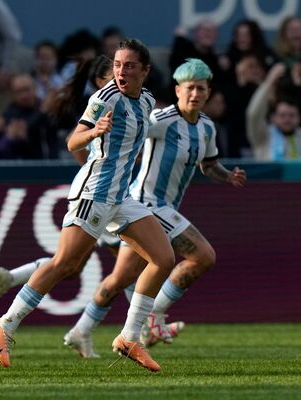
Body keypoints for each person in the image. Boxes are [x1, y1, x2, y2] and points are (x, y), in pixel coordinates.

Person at [0, 39, 175, 372]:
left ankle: (130, 337)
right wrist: (93, 132)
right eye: (117, 64)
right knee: (65, 265)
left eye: (129, 66)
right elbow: (73, 140)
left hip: (121, 198)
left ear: (145, 71)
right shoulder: (104, 98)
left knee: (163, 258)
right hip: (94, 194)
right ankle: (6, 323)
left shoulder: (145, 101)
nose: (121, 71)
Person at [61, 59, 246, 358]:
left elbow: (208, 164)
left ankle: (80, 331)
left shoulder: (207, 128)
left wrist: (227, 176)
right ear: (177, 90)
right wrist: (99, 160)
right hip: (146, 202)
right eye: (189, 88)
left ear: (208, 93)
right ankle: (153, 315)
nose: (194, 94)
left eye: (200, 89)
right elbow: (125, 134)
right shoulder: (161, 119)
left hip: (156, 208)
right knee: (203, 256)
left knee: (120, 278)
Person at [246, 62, 301, 160]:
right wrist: (268, 82)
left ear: (299, 118)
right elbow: (253, 115)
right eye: (282, 115)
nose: (287, 119)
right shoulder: (262, 137)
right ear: (273, 118)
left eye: (292, 115)